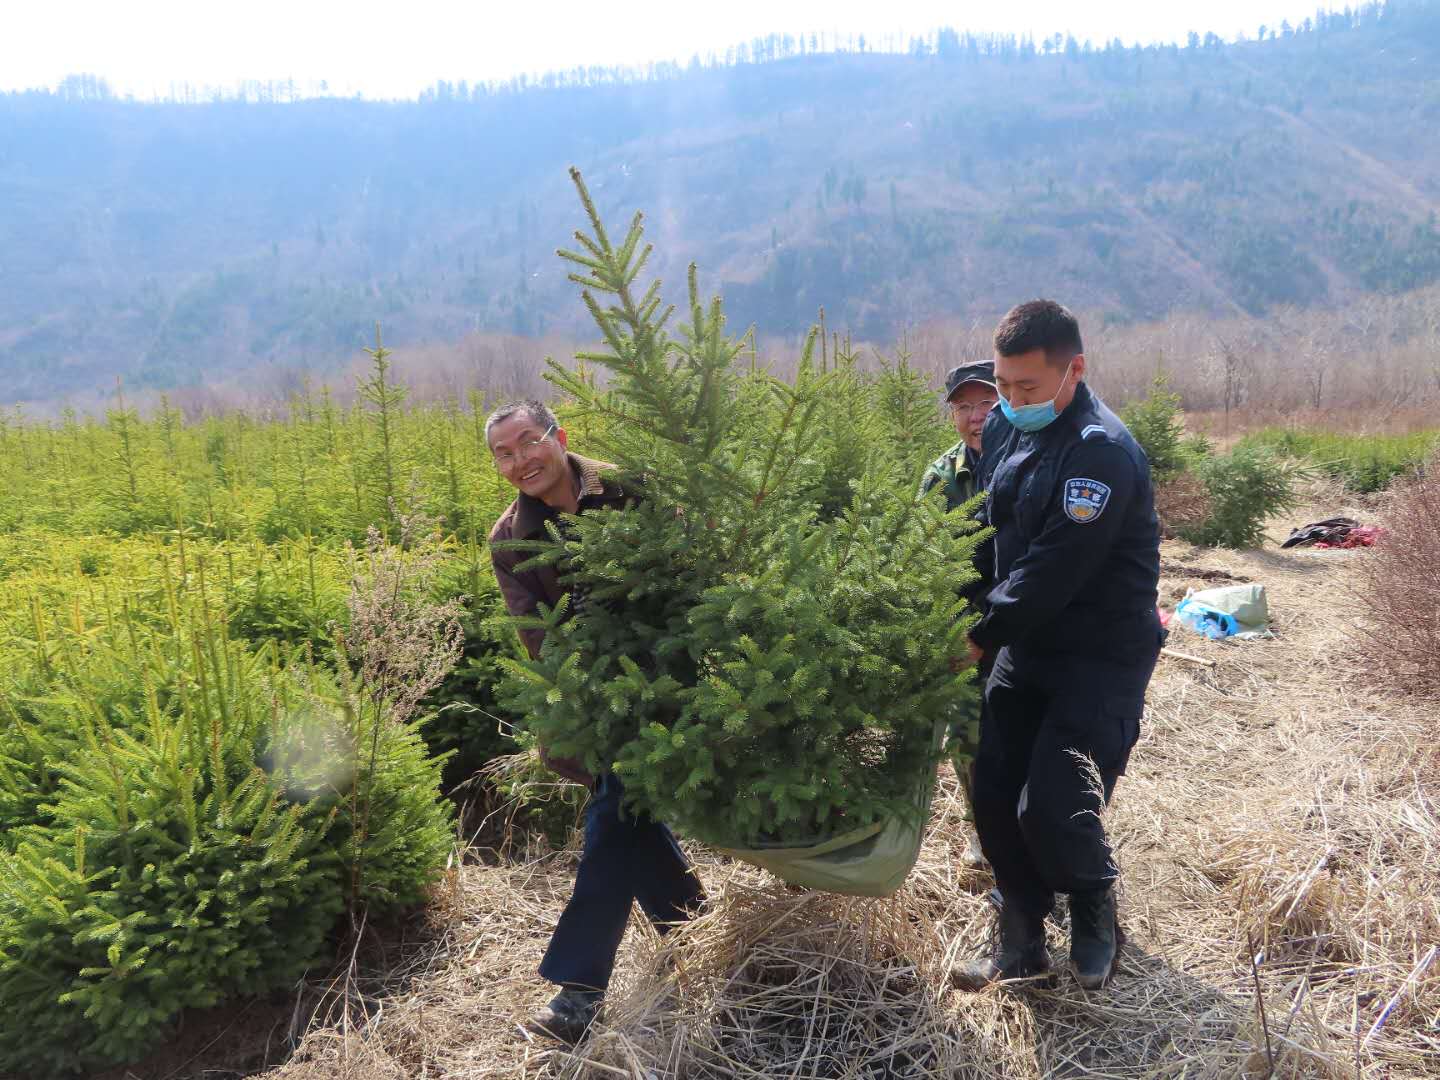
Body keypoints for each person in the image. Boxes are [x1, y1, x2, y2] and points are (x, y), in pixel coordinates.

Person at [952, 301, 1163, 992]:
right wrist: (955, 603)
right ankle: (1021, 939)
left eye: (1028, 387)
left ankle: (1095, 904)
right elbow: (991, 530)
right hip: (1027, 643)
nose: (1011, 402)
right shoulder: (1008, 427)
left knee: (1053, 801)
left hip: (1098, 654)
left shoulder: (1100, 452)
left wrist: (978, 636)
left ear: (1075, 369)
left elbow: (1053, 568)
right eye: (1003, 385)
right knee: (993, 793)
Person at [486, 400, 706, 1043]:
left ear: (559, 437)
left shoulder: (630, 487)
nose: (521, 460)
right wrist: (591, 687)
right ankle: (689, 927)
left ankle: (580, 989)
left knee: (615, 815)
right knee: (623, 811)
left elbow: (688, 572)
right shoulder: (511, 538)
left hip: (671, 678)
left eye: (530, 441)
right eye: (504, 453)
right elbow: (539, 636)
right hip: (599, 699)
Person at [918, 361, 998, 871]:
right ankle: (982, 831)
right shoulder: (941, 477)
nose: (975, 417)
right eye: (964, 406)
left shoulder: (1032, 462)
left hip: (1023, 627)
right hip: (965, 633)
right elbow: (923, 561)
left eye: (986, 403)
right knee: (968, 734)